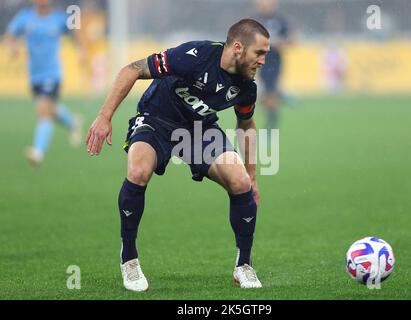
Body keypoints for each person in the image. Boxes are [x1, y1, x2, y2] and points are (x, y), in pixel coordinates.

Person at [85, 19, 270, 292]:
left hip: (199, 129)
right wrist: (104, 116)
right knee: (137, 172)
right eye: (260, 53)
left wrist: (252, 177)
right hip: (156, 120)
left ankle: (244, 265)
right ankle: (129, 259)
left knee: (239, 181)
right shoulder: (193, 57)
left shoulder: (246, 86)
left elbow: (246, 126)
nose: (264, 61)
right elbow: (132, 69)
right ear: (239, 48)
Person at [5, 0, 84, 167]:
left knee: (43, 111)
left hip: (52, 74)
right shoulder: (25, 17)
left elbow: (75, 33)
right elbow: (11, 34)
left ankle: (38, 152)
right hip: (34, 75)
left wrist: (81, 51)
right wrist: (12, 47)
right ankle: (72, 122)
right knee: (49, 109)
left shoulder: (58, 18)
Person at [254, 0, 290, 130]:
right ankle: (275, 112)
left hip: (274, 61)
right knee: (265, 94)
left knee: (270, 91)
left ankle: (272, 123)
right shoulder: (254, 21)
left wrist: (278, 42)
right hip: (258, 62)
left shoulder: (280, 21)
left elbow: (291, 39)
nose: (266, 6)